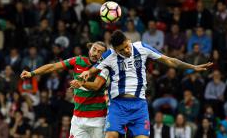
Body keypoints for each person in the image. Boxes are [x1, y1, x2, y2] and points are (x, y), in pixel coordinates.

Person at [79, 30, 212, 138]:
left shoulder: (141, 47)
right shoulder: (110, 55)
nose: (126, 50)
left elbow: (170, 61)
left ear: (128, 40)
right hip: (117, 105)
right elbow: (93, 69)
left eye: (126, 46)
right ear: (115, 50)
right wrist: (87, 74)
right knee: (111, 136)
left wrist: (193, 67)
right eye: (121, 50)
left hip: (139, 105)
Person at [20, 41, 108, 138]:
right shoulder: (77, 61)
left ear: (104, 55)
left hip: (98, 118)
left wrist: (81, 82)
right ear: (89, 49)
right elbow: (53, 67)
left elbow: (96, 85)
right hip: (78, 118)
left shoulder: (104, 67)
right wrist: (32, 73)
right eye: (94, 49)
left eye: (99, 52)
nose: (95, 53)